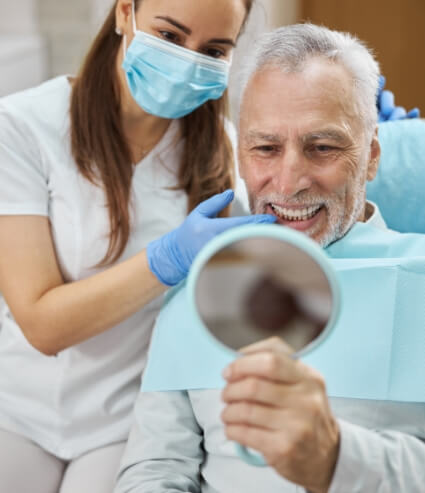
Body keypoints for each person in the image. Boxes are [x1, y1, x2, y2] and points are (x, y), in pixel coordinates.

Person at [115, 24, 425, 493]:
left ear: (372, 156)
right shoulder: (197, 286)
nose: (288, 182)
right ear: (240, 157)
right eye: (266, 148)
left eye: (322, 147)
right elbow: (154, 467)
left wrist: (337, 458)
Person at [0, 1, 281, 492]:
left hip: (123, 420)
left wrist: (368, 141)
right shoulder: (22, 127)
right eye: (171, 36)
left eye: (214, 49)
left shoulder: (223, 152)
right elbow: (42, 324)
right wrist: (167, 259)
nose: (189, 61)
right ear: (125, 13)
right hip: (15, 407)